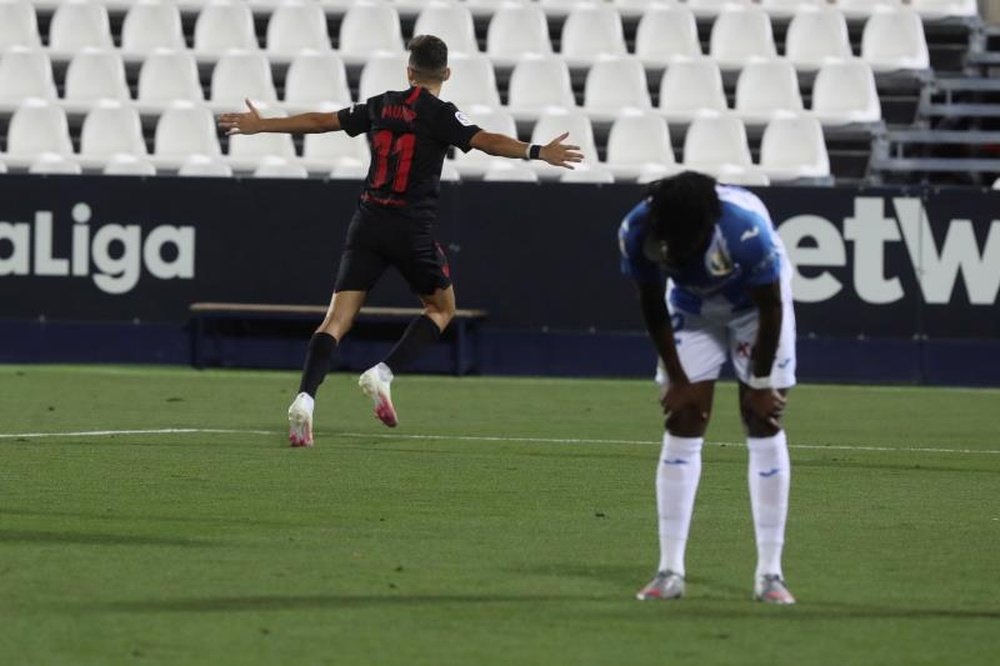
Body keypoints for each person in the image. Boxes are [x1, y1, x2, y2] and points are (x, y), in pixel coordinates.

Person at [218, 35, 583, 446]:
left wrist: (261, 124)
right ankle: (382, 373)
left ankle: (305, 397)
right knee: (441, 309)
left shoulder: (380, 104)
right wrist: (538, 151)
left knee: (335, 320)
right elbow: (487, 142)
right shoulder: (442, 114)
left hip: (368, 223)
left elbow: (322, 122)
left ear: (408, 71)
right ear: (446, 74)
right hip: (411, 229)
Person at [618, 171, 797, 605]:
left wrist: (758, 381)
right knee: (683, 416)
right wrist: (677, 378)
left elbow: (771, 306)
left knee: (761, 418)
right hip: (690, 308)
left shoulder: (744, 231)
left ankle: (770, 574)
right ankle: (669, 571)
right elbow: (650, 302)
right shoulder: (636, 228)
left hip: (753, 310)